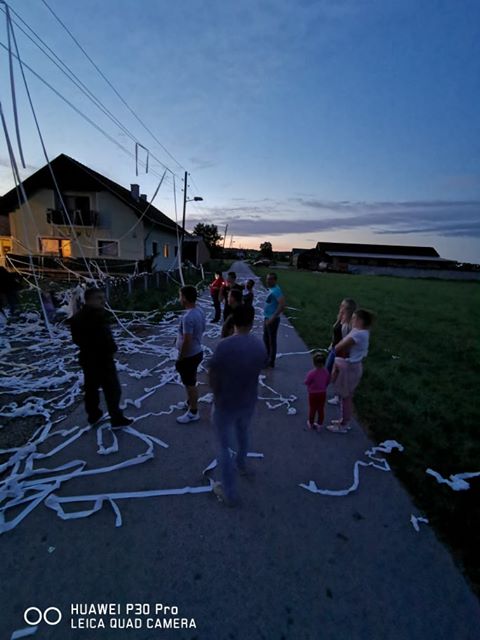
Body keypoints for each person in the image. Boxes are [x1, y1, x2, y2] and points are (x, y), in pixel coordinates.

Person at [208, 305, 267, 506]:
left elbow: (213, 375)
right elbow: (260, 367)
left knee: (223, 446)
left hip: (225, 402)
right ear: (252, 321)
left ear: (233, 320)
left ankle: (229, 493)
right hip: (248, 401)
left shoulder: (223, 346)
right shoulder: (259, 346)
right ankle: (241, 463)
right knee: (243, 433)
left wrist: (216, 395)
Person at [69, 288, 133, 428]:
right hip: (100, 359)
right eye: (99, 298)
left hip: (90, 358)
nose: (103, 300)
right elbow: (85, 339)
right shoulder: (87, 317)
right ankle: (115, 418)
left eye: (103, 297)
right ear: (89, 300)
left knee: (92, 389)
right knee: (112, 389)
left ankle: (94, 415)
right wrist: (108, 348)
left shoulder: (92, 314)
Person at [326, 309, 374, 434]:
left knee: (346, 397)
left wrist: (339, 347)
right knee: (345, 396)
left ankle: (344, 425)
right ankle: (343, 420)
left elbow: (339, 346)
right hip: (351, 366)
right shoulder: (360, 331)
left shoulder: (359, 334)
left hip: (351, 367)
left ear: (360, 320)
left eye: (354, 318)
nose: (351, 320)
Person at [175, 285, 206, 424]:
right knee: (188, 381)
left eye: (180, 296)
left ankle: (193, 412)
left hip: (189, 355)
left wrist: (181, 357)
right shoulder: (199, 310)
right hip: (197, 351)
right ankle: (189, 402)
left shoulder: (188, 317)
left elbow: (187, 340)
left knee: (190, 384)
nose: (179, 299)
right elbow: (202, 329)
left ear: (185, 298)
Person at [326, 298, 357, 405]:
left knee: (338, 373)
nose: (340, 307)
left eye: (342, 306)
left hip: (342, 352)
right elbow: (335, 334)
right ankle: (321, 389)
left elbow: (350, 341)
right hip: (334, 349)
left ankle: (338, 396)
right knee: (328, 369)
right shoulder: (340, 317)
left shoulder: (350, 325)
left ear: (348, 309)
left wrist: (346, 353)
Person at [263, 272, 285, 368]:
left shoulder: (276, 290)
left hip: (272, 319)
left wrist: (273, 317)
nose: (267, 281)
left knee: (271, 340)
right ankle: (267, 358)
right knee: (266, 339)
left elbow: (282, 304)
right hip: (267, 317)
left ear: (275, 280)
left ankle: (271, 361)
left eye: (270, 279)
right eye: (267, 279)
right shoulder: (272, 289)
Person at [304, 352, 330, 431]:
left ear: (314, 363)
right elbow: (328, 381)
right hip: (322, 393)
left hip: (313, 394)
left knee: (312, 408)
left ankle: (311, 423)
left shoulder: (311, 373)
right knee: (320, 409)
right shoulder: (326, 372)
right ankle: (319, 424)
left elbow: (307, 382)